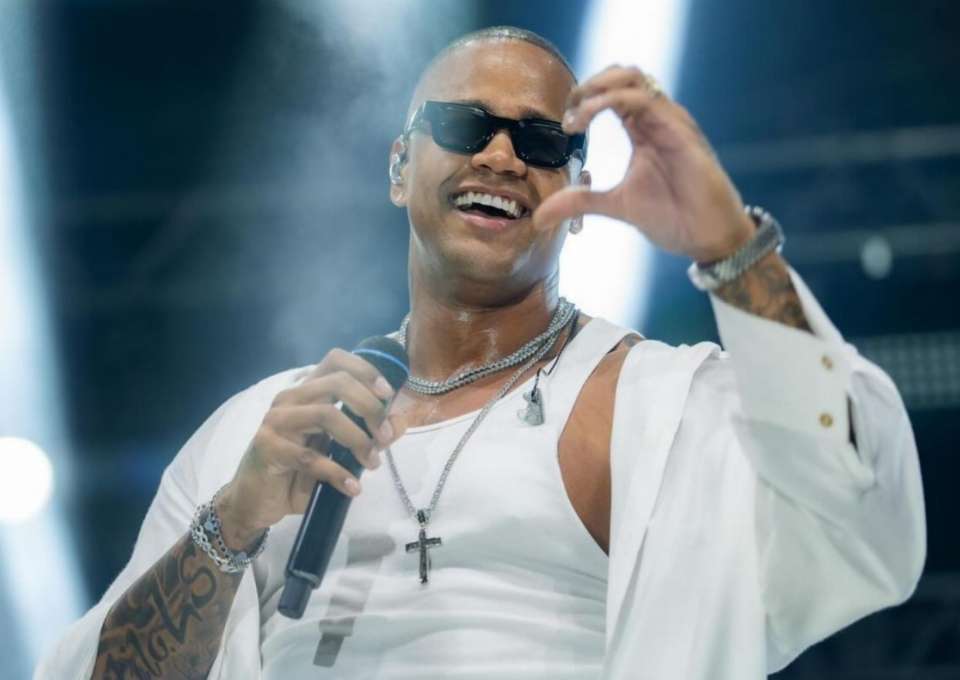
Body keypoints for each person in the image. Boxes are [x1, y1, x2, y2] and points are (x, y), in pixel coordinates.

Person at [36, 26, 925, 680]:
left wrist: (731, 248)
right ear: (399, 167)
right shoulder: (262, 431)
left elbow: (867, 507)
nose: (501, 156)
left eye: (541, 142)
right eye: (465, 126)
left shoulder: (660, 406)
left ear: (577, 188)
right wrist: (232, 521)